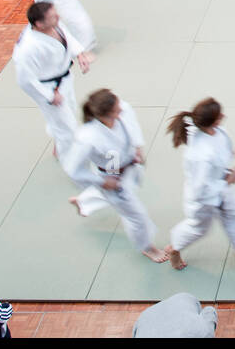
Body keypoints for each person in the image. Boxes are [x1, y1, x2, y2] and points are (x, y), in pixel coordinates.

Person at [64, 88, 168, 262]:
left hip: (129, 166)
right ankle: (147, 247)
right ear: (105, 114)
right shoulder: (88, 137)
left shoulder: (123, 109)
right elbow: (72, 169)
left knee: (128, 194)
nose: (121, 109)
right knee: (137, 217)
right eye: (116, 108)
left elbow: (133, 125)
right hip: (111, 178)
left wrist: (138, 146)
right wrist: (101, 181)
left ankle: (83, 202)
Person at [162, 98, 235, 270]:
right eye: (220, 115)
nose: (223, 115)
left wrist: (228, 157)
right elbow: (199, 189)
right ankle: (174, 247)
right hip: (203, 199)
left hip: (220, 185)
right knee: (199, 228)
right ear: (213, 121)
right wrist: (228, 180)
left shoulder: (215, 131)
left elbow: (222, 146)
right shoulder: (201, 155)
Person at [14, 1, 98, 173]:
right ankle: (75, 168)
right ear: (39, 24)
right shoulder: (28, 48)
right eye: (53, 17)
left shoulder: (54, 24)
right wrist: (50, 96)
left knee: (70, 111)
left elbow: (67, 37)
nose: (58, 17)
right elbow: (25, 80)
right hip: (49, 89)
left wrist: (79, 54)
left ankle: (59, 145)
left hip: (64, 79)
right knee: (69, 130)